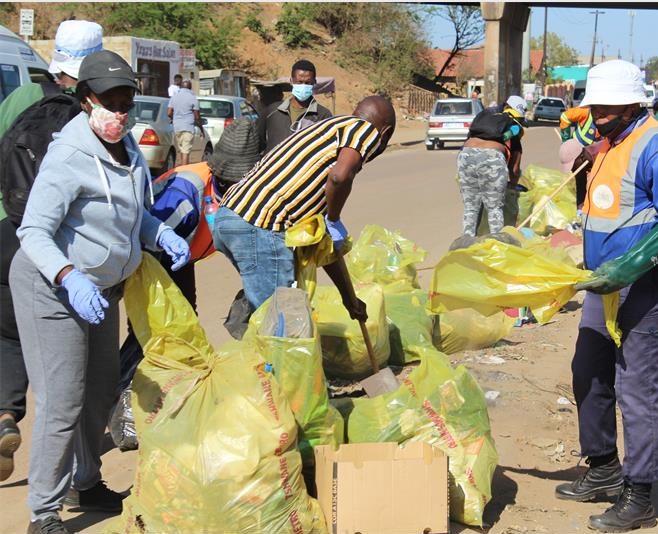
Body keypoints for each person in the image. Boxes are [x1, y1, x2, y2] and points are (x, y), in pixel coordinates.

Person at [10, 50, 189, 534]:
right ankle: (44, 512)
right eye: (111, 102)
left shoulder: (125, 146)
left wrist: (157, 232)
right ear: (86, 99)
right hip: (52, 287)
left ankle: (85, 482)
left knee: (99, 392)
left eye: (127, 103)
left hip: (102, 288)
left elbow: (130, 212)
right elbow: (33, 232)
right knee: (62, 400)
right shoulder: (68, 155)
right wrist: (68, 276)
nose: (121, 113)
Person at [556, 60, 658, 533]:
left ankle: (640, 494)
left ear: (633, 105)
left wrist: (627, 266)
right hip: (605, 281)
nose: (598, 115)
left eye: (608, 108)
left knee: (636, 384)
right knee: (588, 370)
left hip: (647, 280)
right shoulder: (609, 142)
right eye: (595, 106)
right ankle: (603, 468)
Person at [0, 19, 103, 483]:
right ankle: (73, 474)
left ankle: (6, 412)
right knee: (69, 361)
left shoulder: (21, 97)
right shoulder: (92, 107)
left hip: (6, 227)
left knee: (7, 333)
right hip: (61, 242)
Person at [214, 95, 395, 317]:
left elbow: (325, 247)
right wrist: (334, 218)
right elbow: (339, 177)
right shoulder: (363, 130)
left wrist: (349, 299)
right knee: (281, 321)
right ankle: (253, 328)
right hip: (260, 224)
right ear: (385, 133)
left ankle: (248, 321)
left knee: (266, 310)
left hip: (231, 216)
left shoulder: (325, 135)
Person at [117, 118, 263, 392]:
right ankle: (121, 395)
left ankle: (169, 393)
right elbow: (149, 244)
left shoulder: (237, 193)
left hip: (183, 254)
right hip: (152, 255)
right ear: (223, 173)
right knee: (155, 331)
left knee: (185, 323)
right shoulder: (184, 195)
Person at [457, 95, 526, 236]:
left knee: (470, 208)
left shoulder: (485, 117)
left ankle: (467, 242)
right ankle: (495, 243)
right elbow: (514, 169)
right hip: (492, 157)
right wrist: (513, 186)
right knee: (494, 208)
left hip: (466, 155)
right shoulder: (514, 127)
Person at [256, 59, 332, 153]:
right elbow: (258, 144)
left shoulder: (323, 115)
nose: (303, 86)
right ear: (291, 81)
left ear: (314, 82)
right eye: (299, 82)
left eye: (307, 83)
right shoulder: (272, 111)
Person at [167, 79, 201, 166]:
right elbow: (197, 116)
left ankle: (182, 168)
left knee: (182, 149)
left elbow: (169, 113)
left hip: (177, 127)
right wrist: (200, 127)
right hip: (188, 127)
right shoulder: (193, 98)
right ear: (190, 88)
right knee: (186, 151)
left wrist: (174, 119)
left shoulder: (174, 97)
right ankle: (184, 170)